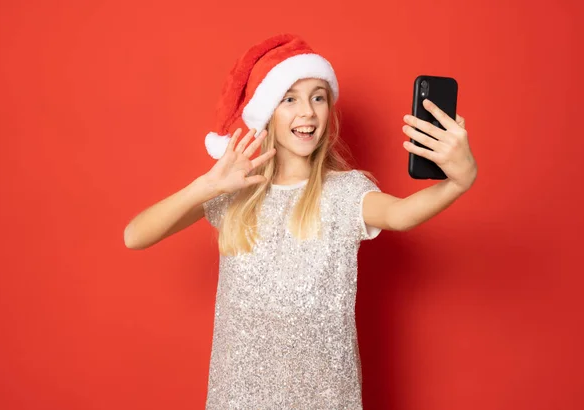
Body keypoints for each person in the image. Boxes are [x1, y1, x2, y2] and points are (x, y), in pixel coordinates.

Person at [123, 33, 477, 409]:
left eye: (318, 97)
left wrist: (459, 183)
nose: (307, 111)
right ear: (268, 111)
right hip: (239, 397)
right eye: (290, 98)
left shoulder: (344, 192)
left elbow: (400, 215)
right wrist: (207, 185)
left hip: (323, 398)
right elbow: (135, 235)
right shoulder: (235, 191)